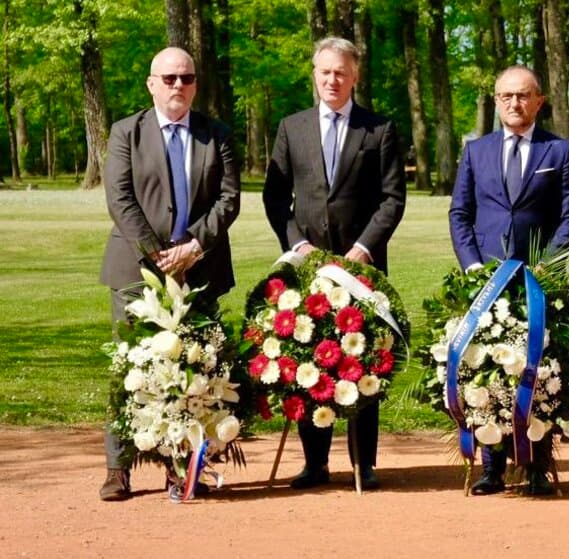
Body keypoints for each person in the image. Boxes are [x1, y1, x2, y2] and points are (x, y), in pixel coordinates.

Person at [263, 37, 407, 492]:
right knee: (309, 358)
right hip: (308, 266)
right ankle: (315, 463)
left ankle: (364, 464)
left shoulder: (378, 129)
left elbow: (392, 198)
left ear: (355, 76)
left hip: (362, 267)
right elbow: (274, 197)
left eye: (340, 72)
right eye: (324, 72)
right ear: (314, 74)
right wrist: (297, 244)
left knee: (362, 362)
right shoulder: (292, 127)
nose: (332, 80)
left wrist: (364, 248)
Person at [99, 47, 240, 501]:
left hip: (201, 268)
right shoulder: (126, 132)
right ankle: (119, 468)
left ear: (196, 84)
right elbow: (120, 198)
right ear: (151, 83)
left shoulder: (215, 134)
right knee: (131, 369)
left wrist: (194, 246)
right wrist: (161, 256)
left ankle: (183, 465)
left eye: (186, 77)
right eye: (169, 78)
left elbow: (229, 198)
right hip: (137, 270)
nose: (178, 85)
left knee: (195, 371)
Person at [449, 65, 569, 496]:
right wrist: (473, 266)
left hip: (537, 280)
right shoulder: (476, 151)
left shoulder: (558, 151)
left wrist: (546, 263)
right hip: (485, 281)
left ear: (539, 101)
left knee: (539, 373)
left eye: (523, 96)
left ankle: (536, 466)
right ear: (496, 101)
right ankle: (492, 467)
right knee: (486, 371)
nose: (514, 103)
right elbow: (460, 215)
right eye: (506, 96)